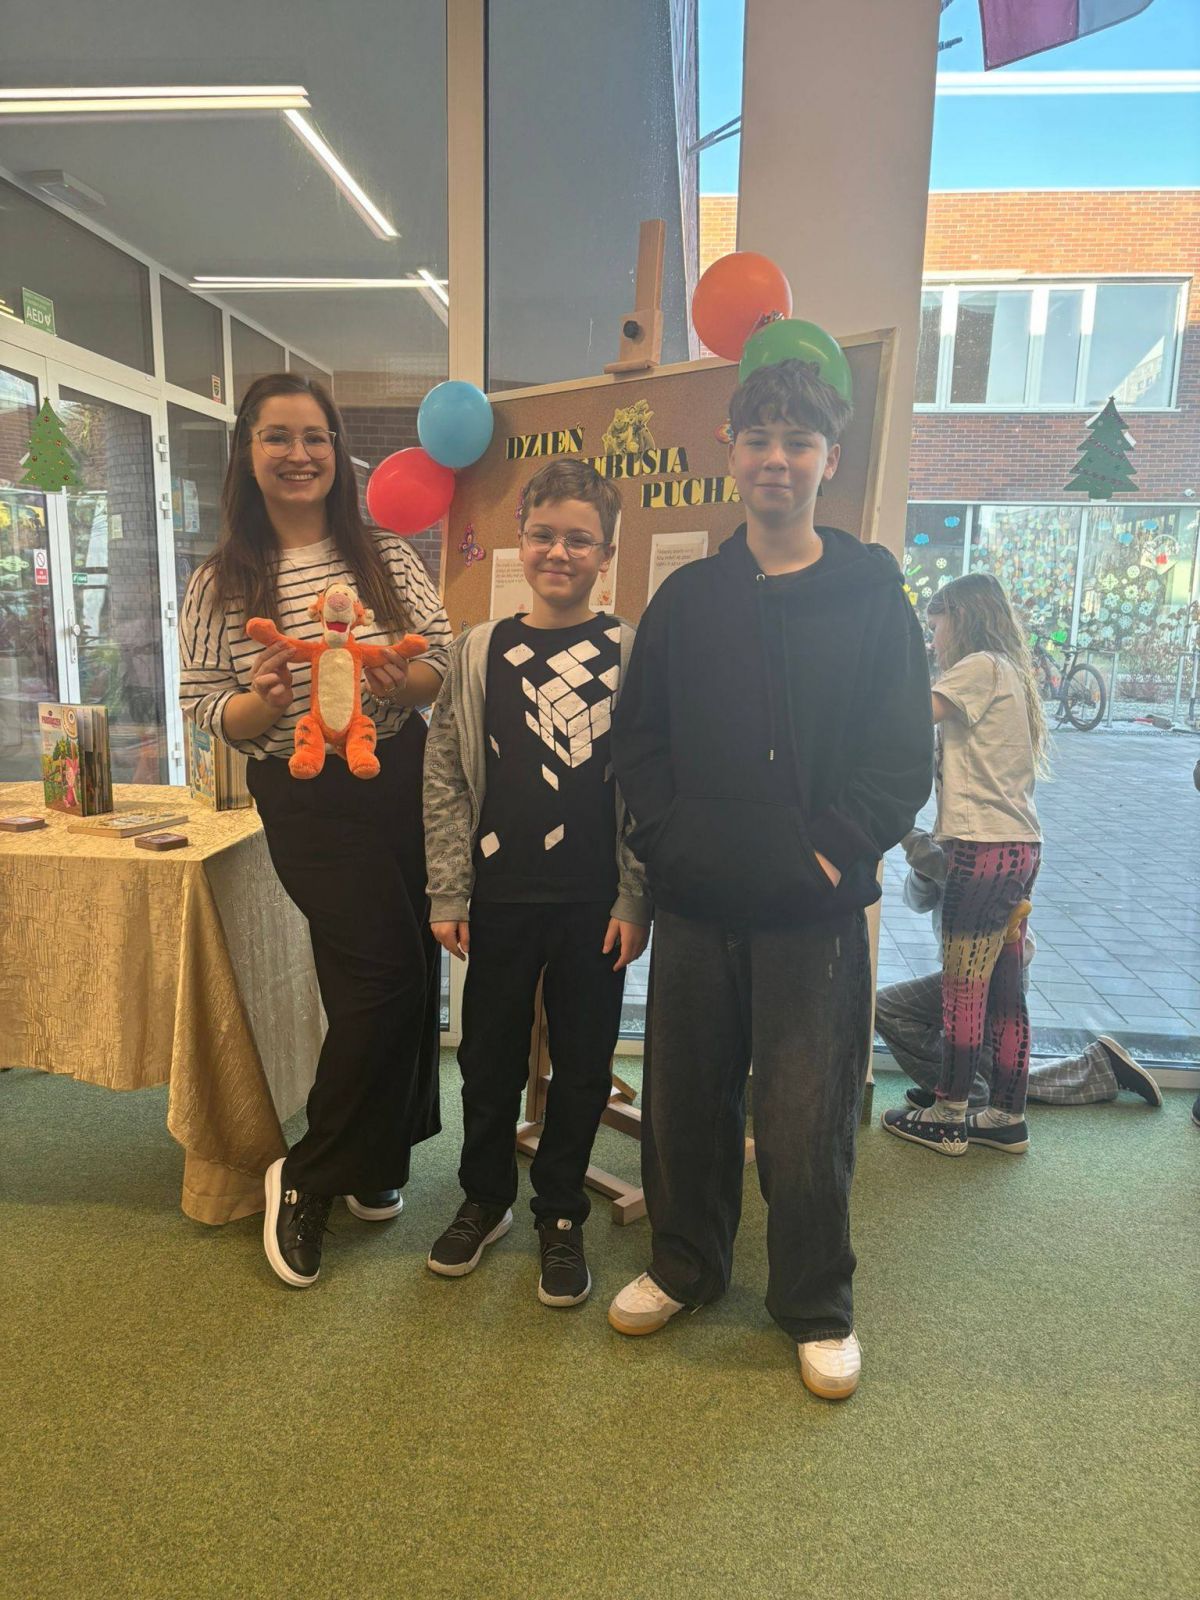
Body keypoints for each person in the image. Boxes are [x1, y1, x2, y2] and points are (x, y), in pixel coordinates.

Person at [609, 358, 933, 1400]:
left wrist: (831, 849)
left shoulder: (873, 596)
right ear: (733, 453)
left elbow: (901, 755)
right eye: (759, 439)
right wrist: (669, 844)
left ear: (831, 460)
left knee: (804, 1117)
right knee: (684, 1104)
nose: (777, 459)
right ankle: (685, 1266)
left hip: (811, 909)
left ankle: (815, 1303)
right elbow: (640, 741)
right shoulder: (688, 600)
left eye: (799, 442)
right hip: (699, 904)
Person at [179, 374, 451, 1288]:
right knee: (386, 975)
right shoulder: (222, 579)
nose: (299, 455)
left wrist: (400, 679)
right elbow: (203, 703)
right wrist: (260, 702)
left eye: (316, 437)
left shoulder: (384, 555)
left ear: (339, 452)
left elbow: (442, 662)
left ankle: (377, 1156)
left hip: (397, 774)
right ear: (247, 453)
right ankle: (309, 1171)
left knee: (385, 970)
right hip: (304, 794)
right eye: (278, 437)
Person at [423, 460, 650, 1307]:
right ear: (519, 541)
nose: (560, 552)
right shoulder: (478, 649)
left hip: (595, 904)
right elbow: (445, 774)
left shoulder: (631, 652)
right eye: (544, 535)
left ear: (607, 553)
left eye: (579, 539)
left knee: (585, 1064)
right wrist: (449, 890)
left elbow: (647, 783)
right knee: (487, 1059)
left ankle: (560, 1212)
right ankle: (485, 1199)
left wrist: (636, 895)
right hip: (498, 896)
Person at [881, 572, 1045, 1158]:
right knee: (1003, 989)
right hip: (1019, 846)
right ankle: (1004, 1116)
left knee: (963, 990)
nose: (934, 640)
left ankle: (949, 1115)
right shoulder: (1010, 670)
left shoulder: (978, 667)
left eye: (937, 626)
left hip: (981, 850)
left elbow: (905, 716)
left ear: (963, 618)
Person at [876, 829, 1163, 1125]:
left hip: (989, 969)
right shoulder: (948, 842)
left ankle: (969, 1095)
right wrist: (922, 868)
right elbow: (919, 900)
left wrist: (909, 837)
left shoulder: (979, 844)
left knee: (887, 1008)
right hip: (981, 966)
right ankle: (1099, 1067)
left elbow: (944, 868)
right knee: (994, 1072)